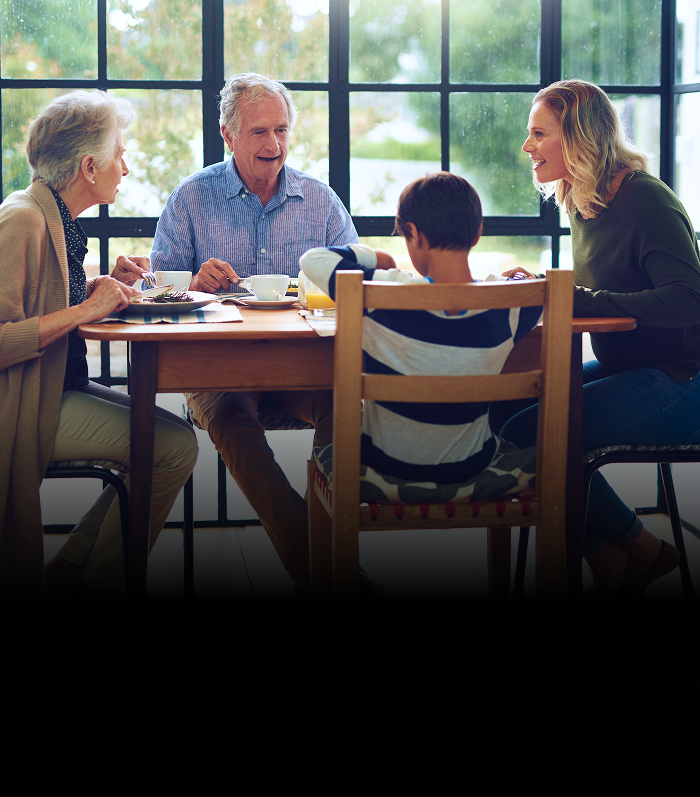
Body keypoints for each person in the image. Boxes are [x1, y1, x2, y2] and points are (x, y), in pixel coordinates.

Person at [150, 73, 358, 593]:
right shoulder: (191, 199)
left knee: (345, 407)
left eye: (282, 130)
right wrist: (194, 284)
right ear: (228, 134)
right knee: (229, 417)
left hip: (302, 365)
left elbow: (357, 282)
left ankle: (320, 563)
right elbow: (159, 289)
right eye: (260, 132)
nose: (274, 145)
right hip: (216, 368)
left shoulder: (320, 200)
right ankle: (321, 567)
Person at [500, 78, 696, 596]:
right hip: (626, 366)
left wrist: (575, 298)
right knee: (498, 411)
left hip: (680, 379)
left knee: (531, 436)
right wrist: (551, 288)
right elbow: (603, 287)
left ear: (579, 139)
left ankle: (640, 548)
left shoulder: (646, 201)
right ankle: (617, 558)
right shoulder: (582, 198)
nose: (527, 147)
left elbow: (687, 299)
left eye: (538, 134)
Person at [0, 90, 198, 596]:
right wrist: (87, 309)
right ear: (90, 166)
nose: (126, 167)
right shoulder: (21, 219)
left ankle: (72, 571)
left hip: (54, 391)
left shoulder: (51, 216)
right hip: (24, 408)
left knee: (172, 440)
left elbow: (40, 300)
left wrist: (97, 288)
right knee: (173, 447)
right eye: (122, 153)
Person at [300, 172, 543, 504]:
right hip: (471, 467)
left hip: (383, 464)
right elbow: (542, 292)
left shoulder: (379, 292)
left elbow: (313, 260)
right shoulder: (510, 307)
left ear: (412, 233)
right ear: (477, 234)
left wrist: (378, 258)